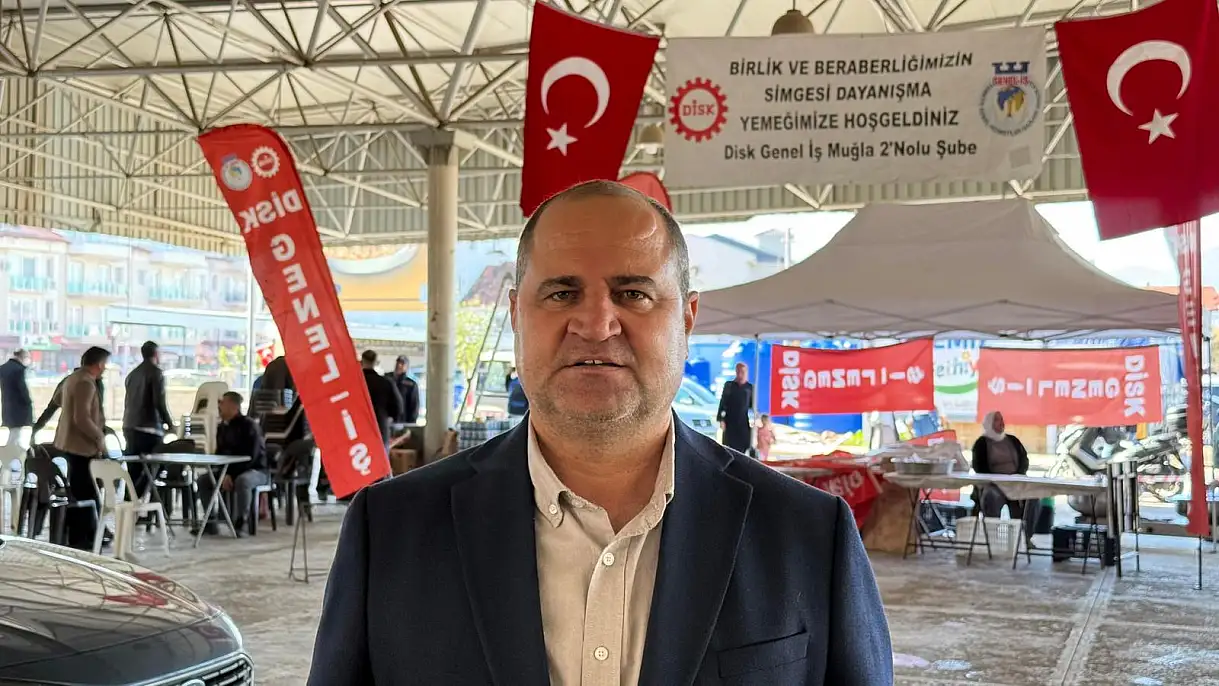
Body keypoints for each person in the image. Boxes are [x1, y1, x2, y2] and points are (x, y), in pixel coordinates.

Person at [308, 180, 892, 685]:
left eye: (633, 293)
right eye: (562, 293)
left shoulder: (808, 536)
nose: (595, 323)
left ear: (687, 318)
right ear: (516, 314)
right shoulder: (391, 532)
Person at [54, 346, 110, 550]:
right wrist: (99, 436)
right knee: (86, 492)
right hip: (81, 446)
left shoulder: (72, 378)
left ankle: (85, 533)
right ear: (99, 364)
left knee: (79, 489)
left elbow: (57, 400)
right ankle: (86, 535)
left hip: (69, 443)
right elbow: (82, 418)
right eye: (104, 364)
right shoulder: (85, 382)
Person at [196, 391, 268, 535]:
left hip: (255, 470)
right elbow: (219, 455)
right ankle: (210, 521)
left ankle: (242, 522)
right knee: (204, 480)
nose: (219, 406)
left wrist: (231, 474)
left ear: (233, 406)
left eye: (223, 403)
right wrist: (224, 474)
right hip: (229, 471)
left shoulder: (249, 426)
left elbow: (252, 457)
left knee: (243, 481)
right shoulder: (222, 427)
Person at [971, 410, 1038, 547]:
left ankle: (1026, 536)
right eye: (997, 420)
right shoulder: (981, 444)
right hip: (993, 484)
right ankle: (992, 539)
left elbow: (1024, 460)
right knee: (991, 497)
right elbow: (979, 468)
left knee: (1033, 497)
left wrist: (1017, 476)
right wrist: (998, 480)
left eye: (1002, 420)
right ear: (989, 423)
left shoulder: (1012, 440)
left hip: (1015, 483)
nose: (1001, 423)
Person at [122, 341, 176, 459]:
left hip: (129, 426)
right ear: (156, 353)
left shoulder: (131, 375)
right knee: (153, 465)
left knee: (134, 465)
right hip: (149, 428)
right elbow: (159, 402)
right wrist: (170, 424)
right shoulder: (156, 373)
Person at [361, 350, 403, 449]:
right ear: (376, 362)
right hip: (380, 427)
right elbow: (398, 407)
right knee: (380, 456)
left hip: (357, 429)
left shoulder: (354, 383)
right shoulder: (386, 382)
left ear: (361, 362)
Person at [0, 349, 32, 456]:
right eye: (27, 357)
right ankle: (8, 455)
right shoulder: (18, 370)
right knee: (15, 433)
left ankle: (14, 454)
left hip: (7, 405)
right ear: (22, 357)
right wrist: (28, 402)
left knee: (14, 432)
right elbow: (22, 389)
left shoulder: (3, 368)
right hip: (18, 407)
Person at [717, 361, 754, 453]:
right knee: (729, 446)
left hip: (743, 422)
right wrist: (721, 419)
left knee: (743, 445)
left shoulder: (749, 387)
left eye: (743, 372)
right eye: (739, 372)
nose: (740, 375)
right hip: (730, 421)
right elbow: (723, 403)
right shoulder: (729, 386)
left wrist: (755, 419)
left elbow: (752, 406)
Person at [384, 355, 420, 423]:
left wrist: (411, 422)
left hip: (403, 420)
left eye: (402, 364)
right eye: (398, 363)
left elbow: (414, 405)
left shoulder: (411, 384)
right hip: (387, 419)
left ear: (407, 367)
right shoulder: (387, 379)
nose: (399, 365)